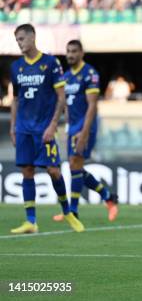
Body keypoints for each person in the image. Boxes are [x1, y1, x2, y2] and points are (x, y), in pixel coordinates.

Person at [9, 24, 83, 234]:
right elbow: (15, 99)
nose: (20, 43)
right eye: (17, 40)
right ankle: (31, 221)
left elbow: (61, 98)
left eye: (22, 39)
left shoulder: (51, 63)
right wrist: (13, 127)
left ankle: (67, 212)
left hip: (44, 129)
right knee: (27, 171)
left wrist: (53, 125)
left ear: (32, 38)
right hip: (24, 127)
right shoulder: (16, 67)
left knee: (53, 171)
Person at [52, 40, 118, 223]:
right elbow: (65, 105)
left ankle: (72, 211)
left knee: (75, 164)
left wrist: (85, 132)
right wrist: (66, 127)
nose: (70, 55)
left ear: (82, 53)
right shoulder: (66, 77)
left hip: (85, 125)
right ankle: (108, 197)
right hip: (72, 127)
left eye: (74, 51)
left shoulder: (90, 74)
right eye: (68, 51)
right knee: (76, 167)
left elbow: (92, 105)